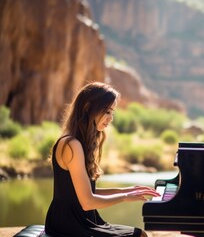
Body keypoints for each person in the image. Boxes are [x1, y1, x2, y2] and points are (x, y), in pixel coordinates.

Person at [45, 81, 160, 237]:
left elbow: (85, 192)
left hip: (81, 220)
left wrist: (127, 189)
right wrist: (125, 197)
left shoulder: (80, 143)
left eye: (112, 112)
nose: (110, 118)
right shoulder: (72, 145)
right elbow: (87, 202)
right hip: (69, 224)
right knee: (140, 235)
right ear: (88, 108)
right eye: (107, 111)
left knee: (140, 234)